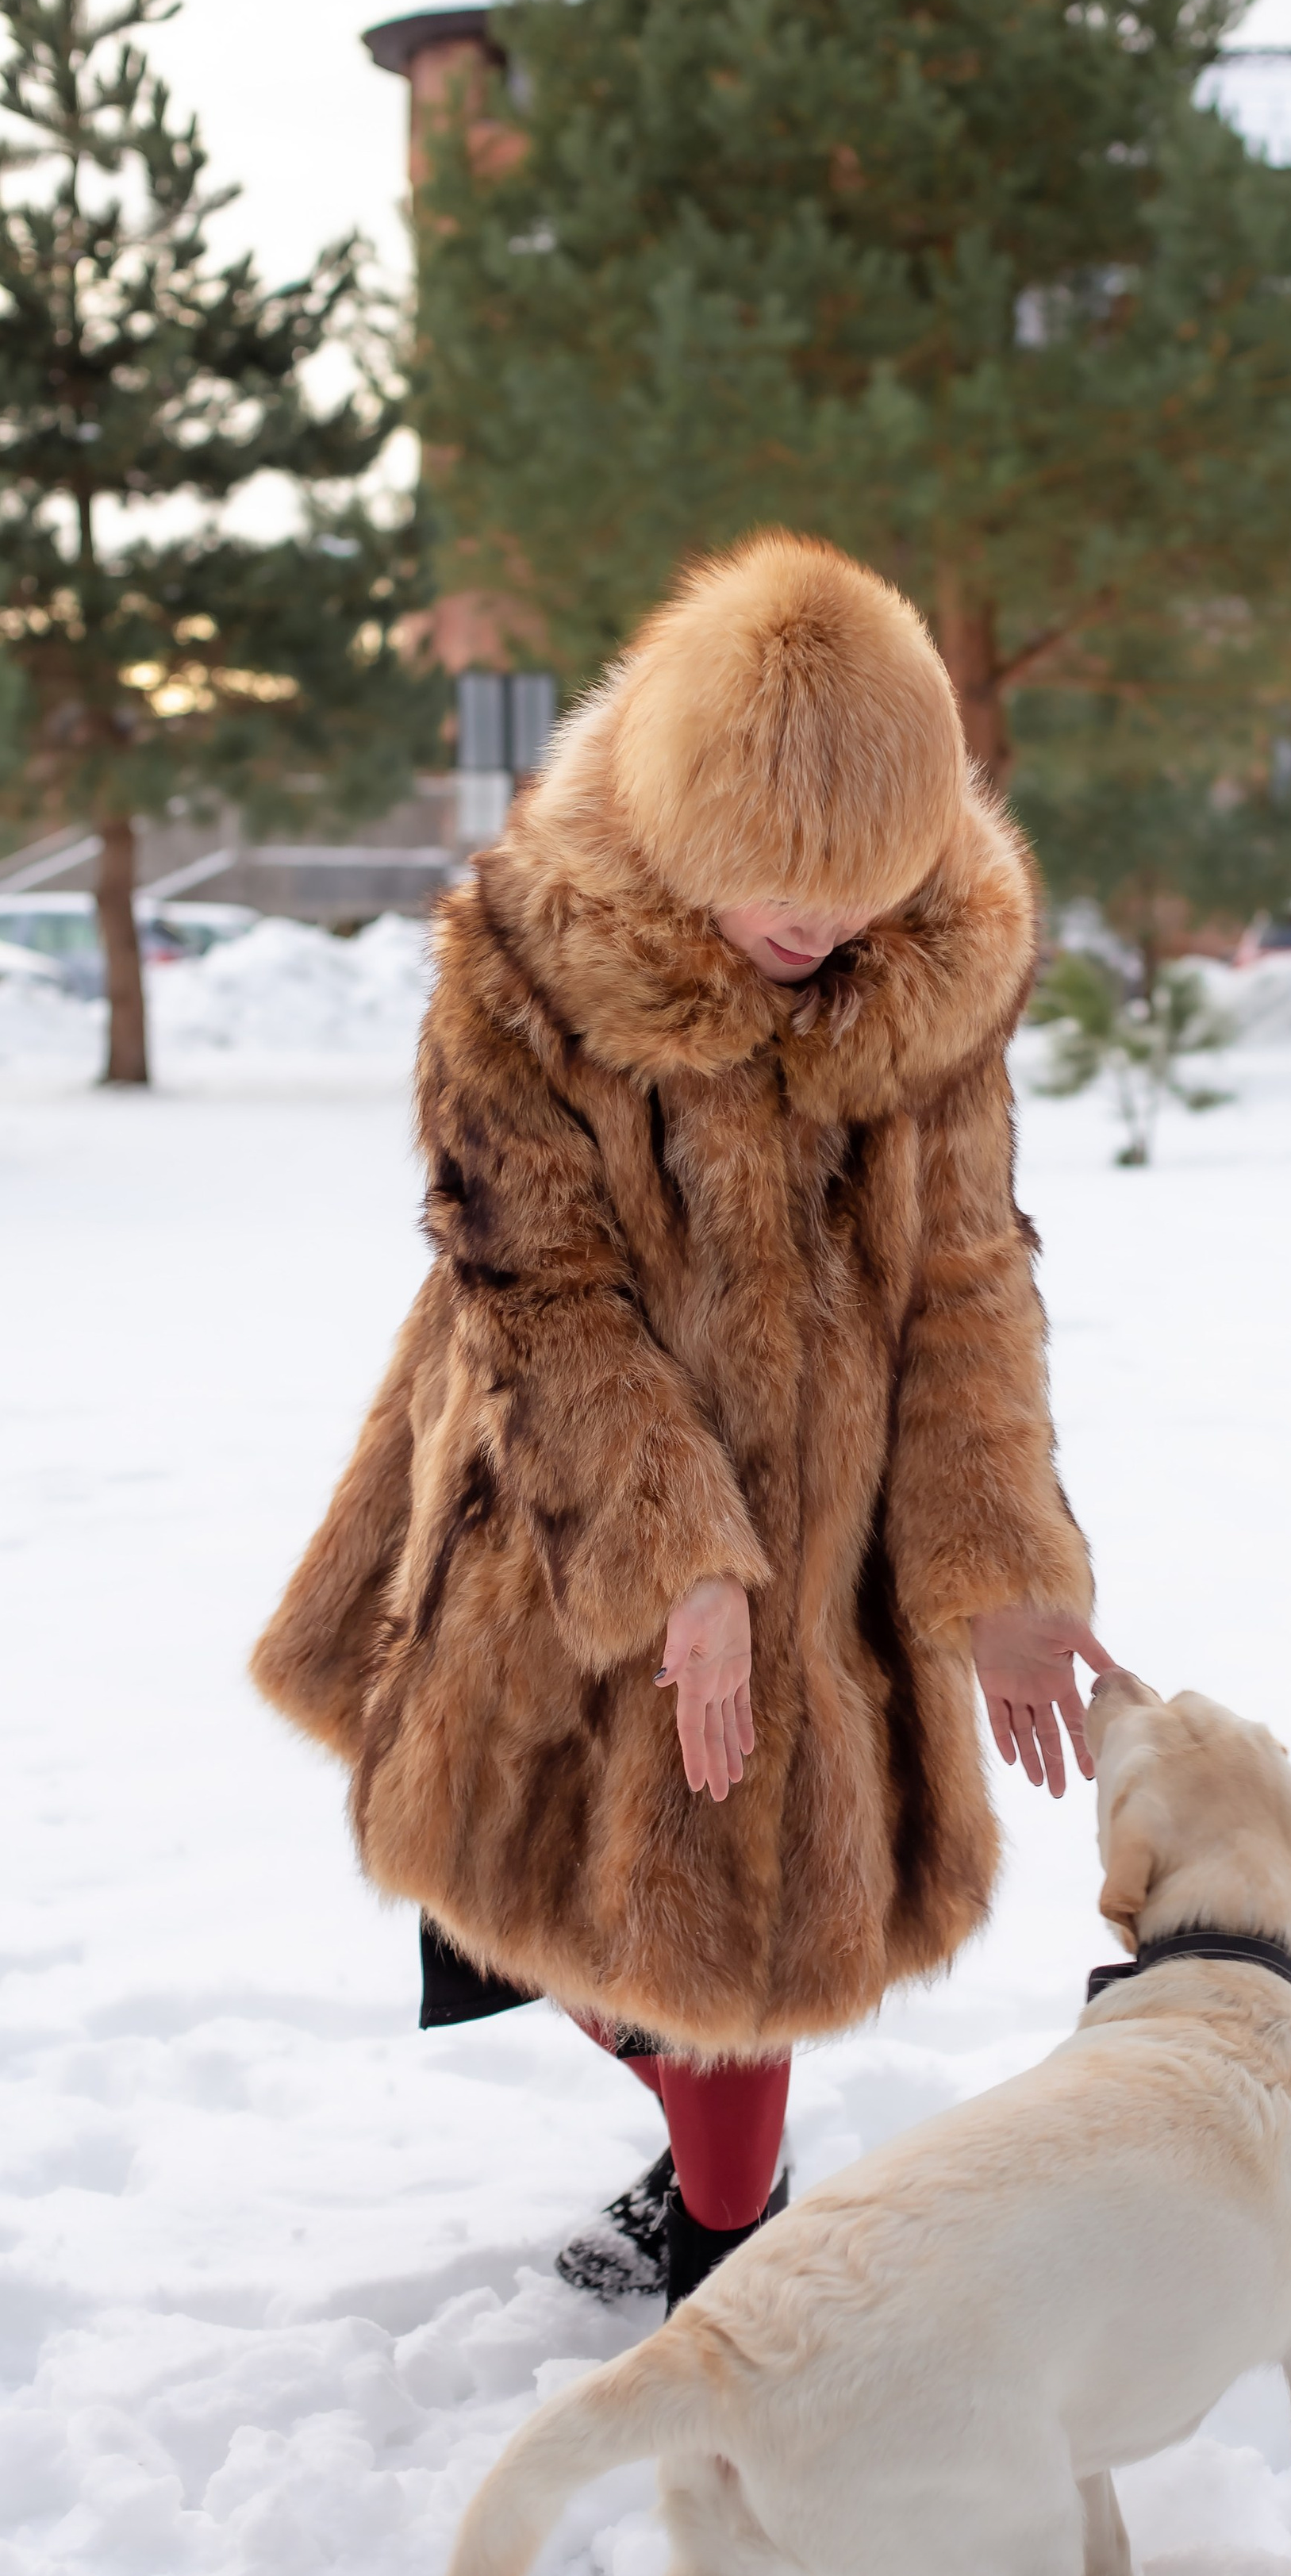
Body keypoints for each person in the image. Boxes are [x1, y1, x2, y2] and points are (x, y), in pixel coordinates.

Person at [252, 533, 1109, 2307]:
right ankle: (717, 2166)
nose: (823, 931)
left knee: (737, 1900)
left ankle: (731, 2247)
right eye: (779, 887)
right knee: (523, 1884)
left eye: (860, 890)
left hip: (829, 1507)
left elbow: (966, 1280)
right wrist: (673, 1562)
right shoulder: (526, 958)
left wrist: (996, 1562)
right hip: (564, 1468)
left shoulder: (932, 972)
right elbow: (535, 1287)